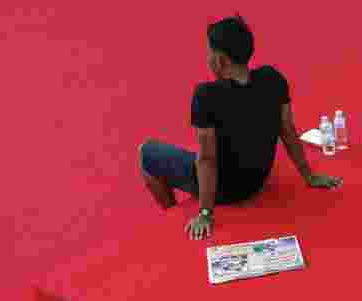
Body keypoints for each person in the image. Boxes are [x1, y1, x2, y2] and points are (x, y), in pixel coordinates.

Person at [138, 16, 342, 241]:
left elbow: (206, 159)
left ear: (220, 60)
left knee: (146, 152)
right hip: (257, 181)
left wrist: (205, 213)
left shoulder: (206, 95)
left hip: (225, 190)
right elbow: (287, 130)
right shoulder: (273, 78)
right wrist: (309, 176)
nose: (207, 58)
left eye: (209, 53)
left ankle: (171, 213)